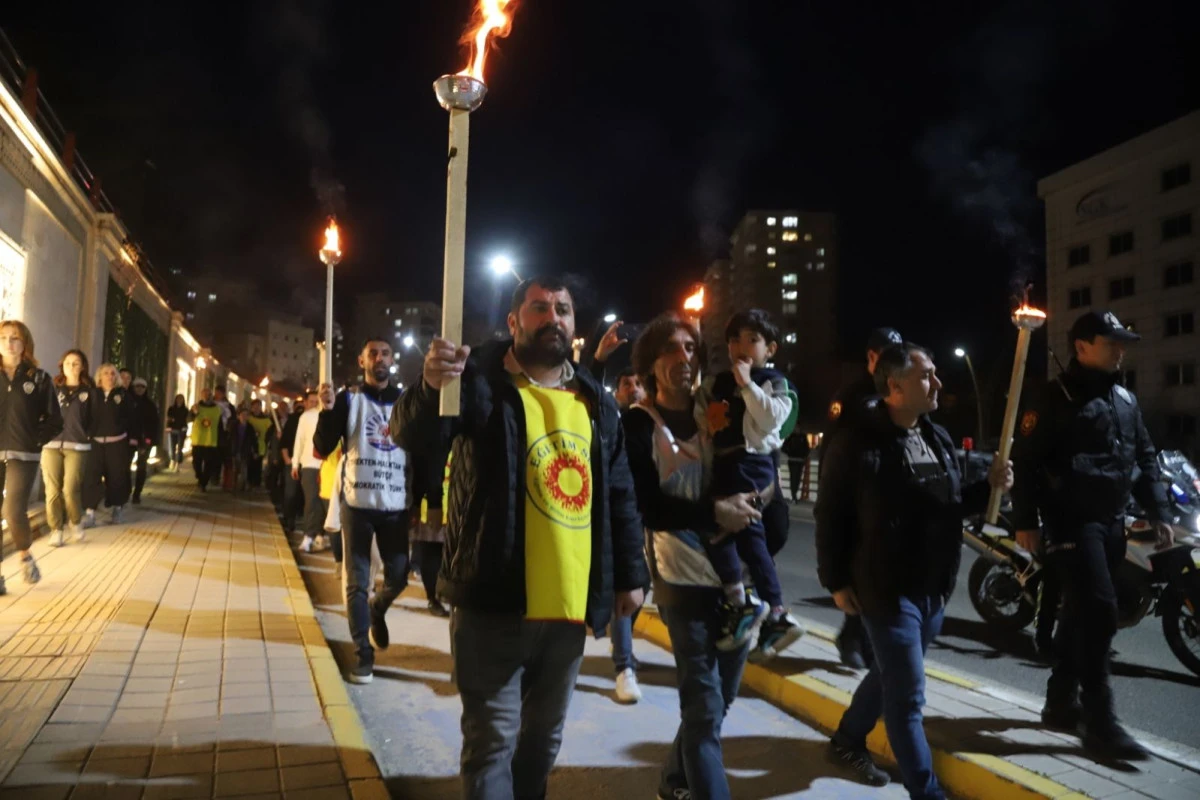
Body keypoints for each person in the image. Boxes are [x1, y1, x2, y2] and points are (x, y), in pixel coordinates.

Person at [392, 276, 647, 799]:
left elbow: (619, 493)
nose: (552, 318)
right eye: (539, 308)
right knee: (491, 744)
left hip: (567, 610)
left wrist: (630, 576)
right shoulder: (476, 380)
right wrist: (430, 387)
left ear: (575, 325)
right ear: (513, 322)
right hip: (494, 600)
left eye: (563, 309)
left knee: (542, 744)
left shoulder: (595, 401)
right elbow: (411, 434)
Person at [816, 342, 1012, 798]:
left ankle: (847, 740)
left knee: (889, 675)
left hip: (933, 587)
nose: (938, 383)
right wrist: (836, 582)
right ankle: (927, 793)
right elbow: (830, 516)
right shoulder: (857, 441)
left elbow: (950, 506)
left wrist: (990, 488)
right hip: (886, 590)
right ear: (895, 386)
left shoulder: (936, 437)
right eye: (926, 375)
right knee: (907, 700)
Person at [1011, 310, 1171, 761]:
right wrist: (1025, 520)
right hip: (1069, 523)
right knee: (1100, 612)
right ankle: (1100, 724)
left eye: (1123, 342)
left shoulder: (1124, 399)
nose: (1121, 349)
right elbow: (1025, 461)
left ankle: (1059, 702)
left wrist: (1158, 509)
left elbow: (1143, 456)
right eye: (1111, 341)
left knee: (1081, 616)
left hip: (1112, 522)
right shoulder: (1053, 397)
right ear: (1081, 347)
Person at [624, 313, 765, 800]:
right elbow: (648, 505)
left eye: (690, 349)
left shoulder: (719, 415)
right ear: (649, 364)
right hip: (680, 583)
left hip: (737, 585)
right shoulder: (639, 425)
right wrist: (714, 512)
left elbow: (755, 464)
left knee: (718, 702)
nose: (682, 358)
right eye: (670, 349)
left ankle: (673, 780)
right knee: (704, 709)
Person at [705, 309, 802, 660]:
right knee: (731, 532)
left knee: (735, 531)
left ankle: (759, 606)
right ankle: (759, 607)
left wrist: (747, 384)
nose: (740, 346)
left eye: (751, 339)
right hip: (728, 461)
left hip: (752, 462)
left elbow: (771, 417)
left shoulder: (773, 381)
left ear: (770, 348)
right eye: (734, 339)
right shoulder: (721, 381)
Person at [314, 338, 410, 683]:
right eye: (372, 353)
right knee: (356, 581)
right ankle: (362, 654)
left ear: (392, 360)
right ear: (361, 360)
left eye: (385, 353)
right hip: (357, 504)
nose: (379, 358)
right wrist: (326, 412)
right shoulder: (348, 400)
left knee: (398, 574)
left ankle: (377, 608)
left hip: (395, 504)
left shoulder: (406, 401)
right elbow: (323, 447)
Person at [822, 326, 902, 669]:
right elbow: (833, 449)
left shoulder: (898, 391)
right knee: (861, 572)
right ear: (871, 357)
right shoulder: (854, 396)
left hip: (886, 495)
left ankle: (862, 640)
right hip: (854, 497)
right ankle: (854, 637)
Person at [0, 320, 62, 592]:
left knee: (12, 511)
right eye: (3, 337)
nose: (9, 343)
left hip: (22, 454)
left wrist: (35, 440)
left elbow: (54, 420)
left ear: (25, 344)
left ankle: (25, 554)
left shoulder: (38, 378)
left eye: (15, 338)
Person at [43, 349, 95, 547]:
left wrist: (87, 434)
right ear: (62, 366)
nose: (72, 367)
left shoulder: (89, 392)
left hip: (77, 445)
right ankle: (56, 529)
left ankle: (75, 521)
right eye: (68, 363)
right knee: (52, 490)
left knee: (70, 489)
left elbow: (94, 419)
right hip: (51, 445)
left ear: (82, 367)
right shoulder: (53, 389)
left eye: (76, 363)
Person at [86, 363, 133, 524]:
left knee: (116, 477)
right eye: (106, 373)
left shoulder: (123, 395)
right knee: (92, 477)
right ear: (99, 376)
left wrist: (122, 432)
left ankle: (117, 509)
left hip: (116, 443)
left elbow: (129, 417)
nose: (110, 376)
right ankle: (90, 513)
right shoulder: (93, 394)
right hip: (96, 444)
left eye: (113, 373)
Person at [411, 446, 450, 618]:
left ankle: (444, 595)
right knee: (431, 554)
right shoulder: (432, 437)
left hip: (456, 506)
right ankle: (433, 598)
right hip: (433, 507)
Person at [292, 385, 326, 554]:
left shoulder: (331, 415)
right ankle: (308, 535)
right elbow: (300, 440)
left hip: (327, 466)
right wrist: (295, 463)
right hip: (309, 464)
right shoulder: (306, 417)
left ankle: (320, 533)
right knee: (311, 500)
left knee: (324, 501)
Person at [279, 393, 311, 534]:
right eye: (311, 402)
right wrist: (287, 459)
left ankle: (306, 523)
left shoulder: (319, 419)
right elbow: (284, 442)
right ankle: (289, 519)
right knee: (291, 492)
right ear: (305, 403)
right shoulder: (293, 420)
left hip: (310, 463)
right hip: (293, 461)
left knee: (306, 495)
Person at [128, 377, 160, 504]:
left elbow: (155, 424)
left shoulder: (150, 405)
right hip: (129, 439)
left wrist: (150, 439)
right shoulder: (128, 401)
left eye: (142, 387)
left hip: (144, 440)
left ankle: (137, 493)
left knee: (141, 467)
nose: (140, 389)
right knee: (125, 466)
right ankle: (126, 490)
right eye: (137, 386)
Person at [189, 388, 223, 491]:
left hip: (210, 441)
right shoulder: (196, 407)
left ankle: (203, 483)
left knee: (209, 464)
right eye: (205, 394)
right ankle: (200, 477)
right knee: (196, 463)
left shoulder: (217, 409)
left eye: (209, 394)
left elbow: (219, 424)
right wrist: (194, 413)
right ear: (201, 395)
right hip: (198, 440)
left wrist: (221, 438)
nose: (207, 396)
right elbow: (189, 419)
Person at [228, 407, 258, 492]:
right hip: (235, 451)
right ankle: (234, 486)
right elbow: (230, 439)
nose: (244, 417)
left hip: (245, 452)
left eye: (246, 415)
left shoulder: (250, 427)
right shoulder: (234, 426)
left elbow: (254, 440)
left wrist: (255, 451)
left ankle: (241, 487)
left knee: (244, 470)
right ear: (238, 416)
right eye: (242, 415)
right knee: (235, 470)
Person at [246, 399, 274, 489]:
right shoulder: (249, 418)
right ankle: (249, 481)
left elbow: (270, 433)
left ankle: (256, 482)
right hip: (249, 445)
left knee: (257, 464)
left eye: (258, 406)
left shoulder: (266, 420)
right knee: (249, 463)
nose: (256, 408)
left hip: (261, 444)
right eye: (254, 407)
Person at [782, 429, 811, 503]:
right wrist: (790, 452)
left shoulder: (803, 437)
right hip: (793, 459)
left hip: (799, 460)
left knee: (797, 478)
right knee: (793, 478)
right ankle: (793, 495)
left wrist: (804, 455)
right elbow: (784, 447)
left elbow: (807, 448)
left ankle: (794, 495)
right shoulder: (791, 437)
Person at [166, 394, 189, 471]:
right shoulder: (171, 409)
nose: (179, 400)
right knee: (172, 446)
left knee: (180, 447)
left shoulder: (185, 410)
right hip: (173, 429)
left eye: (181, 399)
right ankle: (172, 460)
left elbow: (186, 419)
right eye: (178, 399)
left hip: (182, 430)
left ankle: (178, 464)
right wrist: (168, 426)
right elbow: (169, 418)